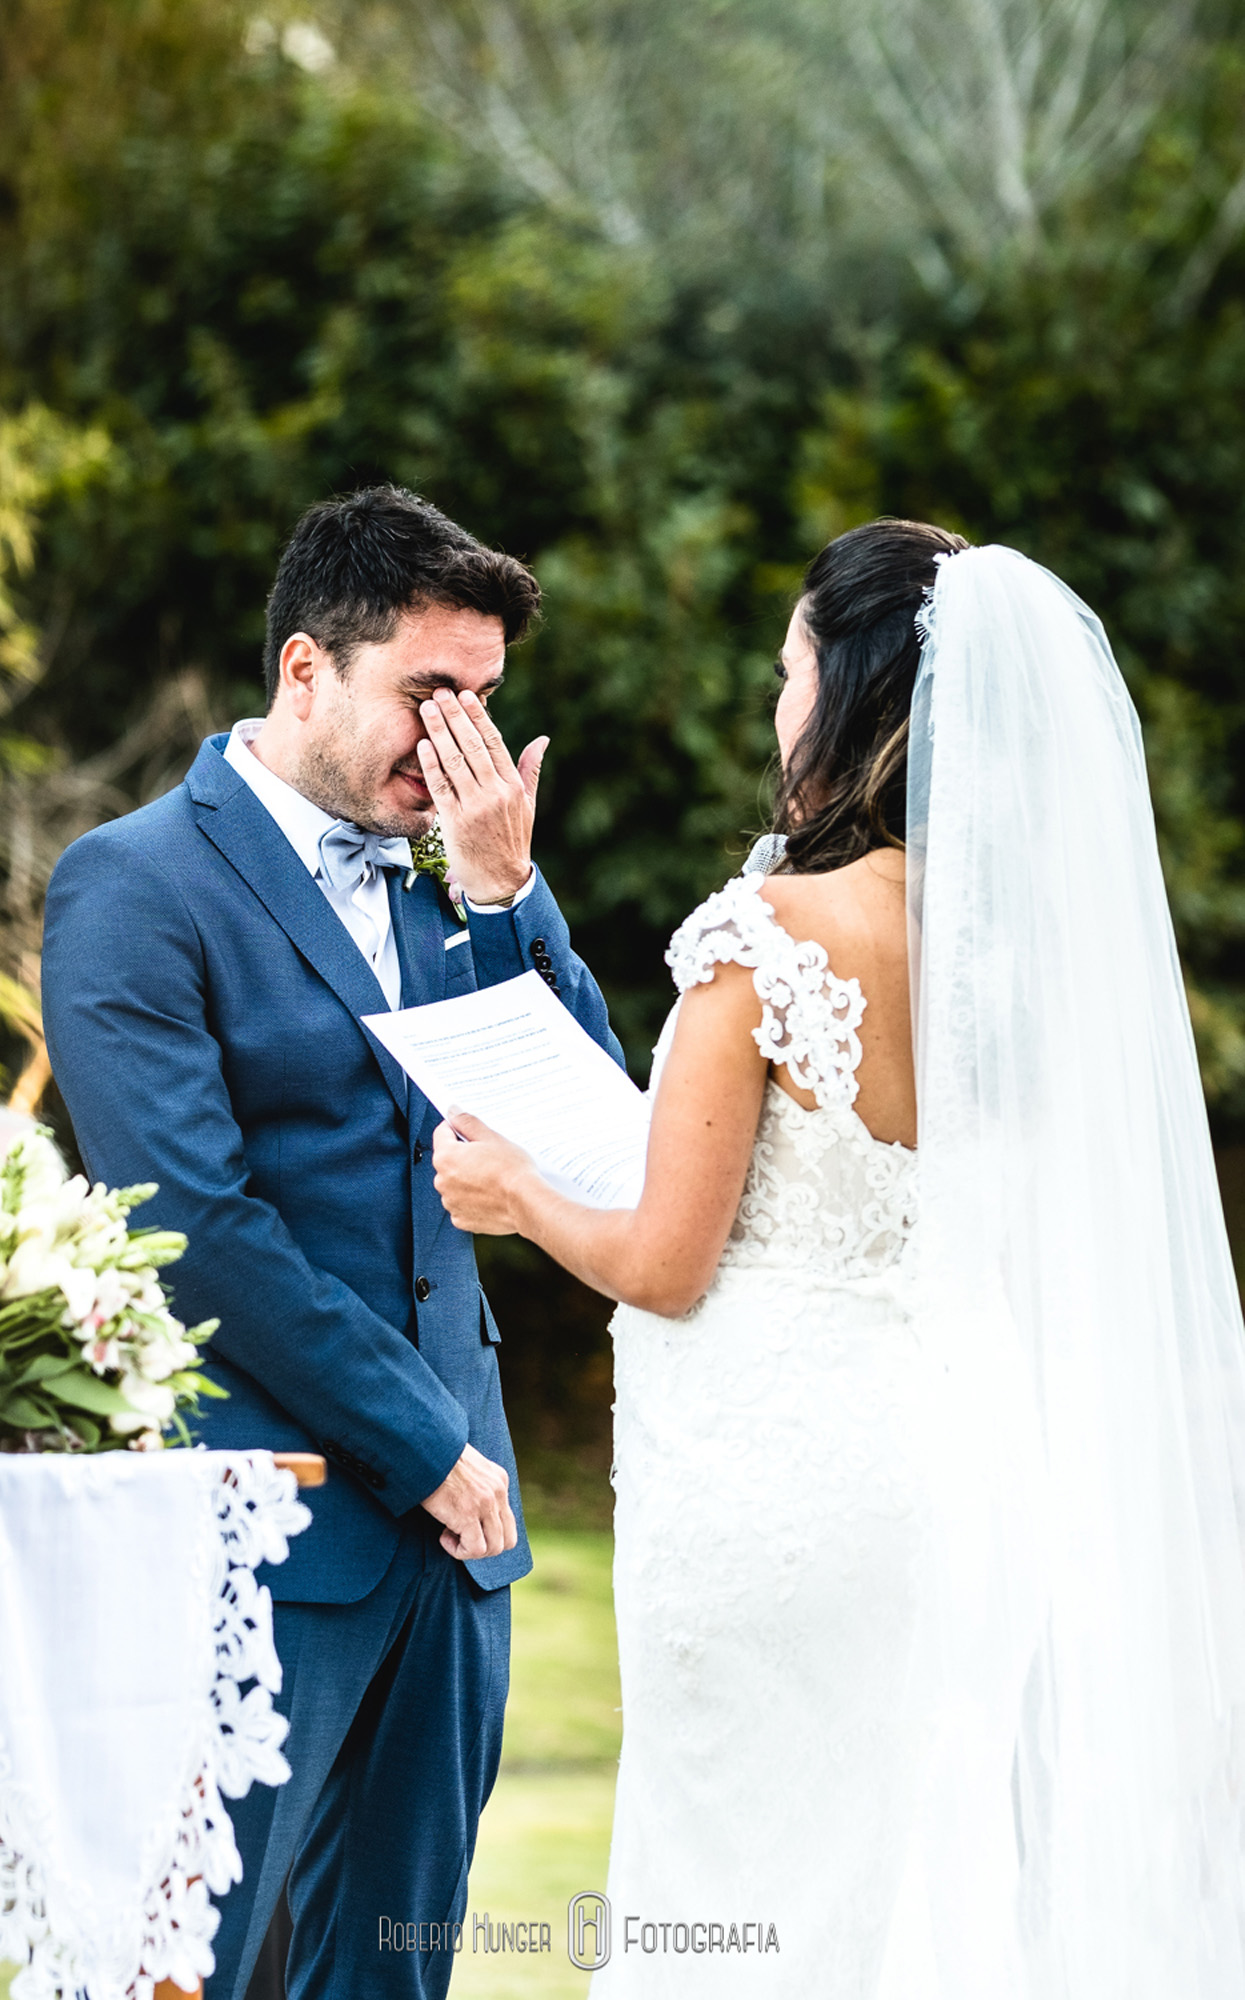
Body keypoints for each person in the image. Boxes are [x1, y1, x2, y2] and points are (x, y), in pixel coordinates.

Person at [433, 521, 1245, 1997]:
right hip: (958, 1477)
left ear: (854, 691)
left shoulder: (771, 932)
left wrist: (519, 1195)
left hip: (775, 1495)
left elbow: (666, 1262)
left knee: (747, 1895)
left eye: (789, 670)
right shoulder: (1008, 966)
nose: (775, 704)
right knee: (915, 1893)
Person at [41, 485, 620, 2000]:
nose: (462, 744)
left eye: (486, 701)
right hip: (259, 1530)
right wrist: (425, 1446)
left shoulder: (457, 874)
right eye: (431, 695)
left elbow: (596, 1137)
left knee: (392, 1978)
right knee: (197, 1969)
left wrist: (506, 893)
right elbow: (193, 1225)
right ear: (306, 669)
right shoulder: (133, 883)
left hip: (459, 1548)